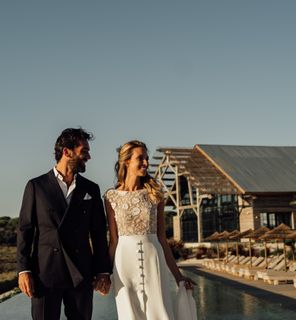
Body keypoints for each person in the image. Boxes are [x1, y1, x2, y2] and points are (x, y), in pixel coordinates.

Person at [17, 128, 112, 320]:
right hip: (45, 272)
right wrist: (24, 270)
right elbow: (25, 230)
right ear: (66, 151)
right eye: (84, 151)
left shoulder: (90, 189)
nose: (89, 157)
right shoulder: (36, 186)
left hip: (80, 272)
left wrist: (103, 270)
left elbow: (99, 233)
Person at [104, 140, 197, 319]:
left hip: (153, 260)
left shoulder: (155, 194)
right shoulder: (111, 197)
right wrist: (106, 274)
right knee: (129, 314)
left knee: (160, 311)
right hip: (123, 264)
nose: (146, 163)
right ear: (127, 161)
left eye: (146, 158)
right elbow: (113, 241)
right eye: (141, 158)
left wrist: (178, 276)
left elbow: (162, 239)